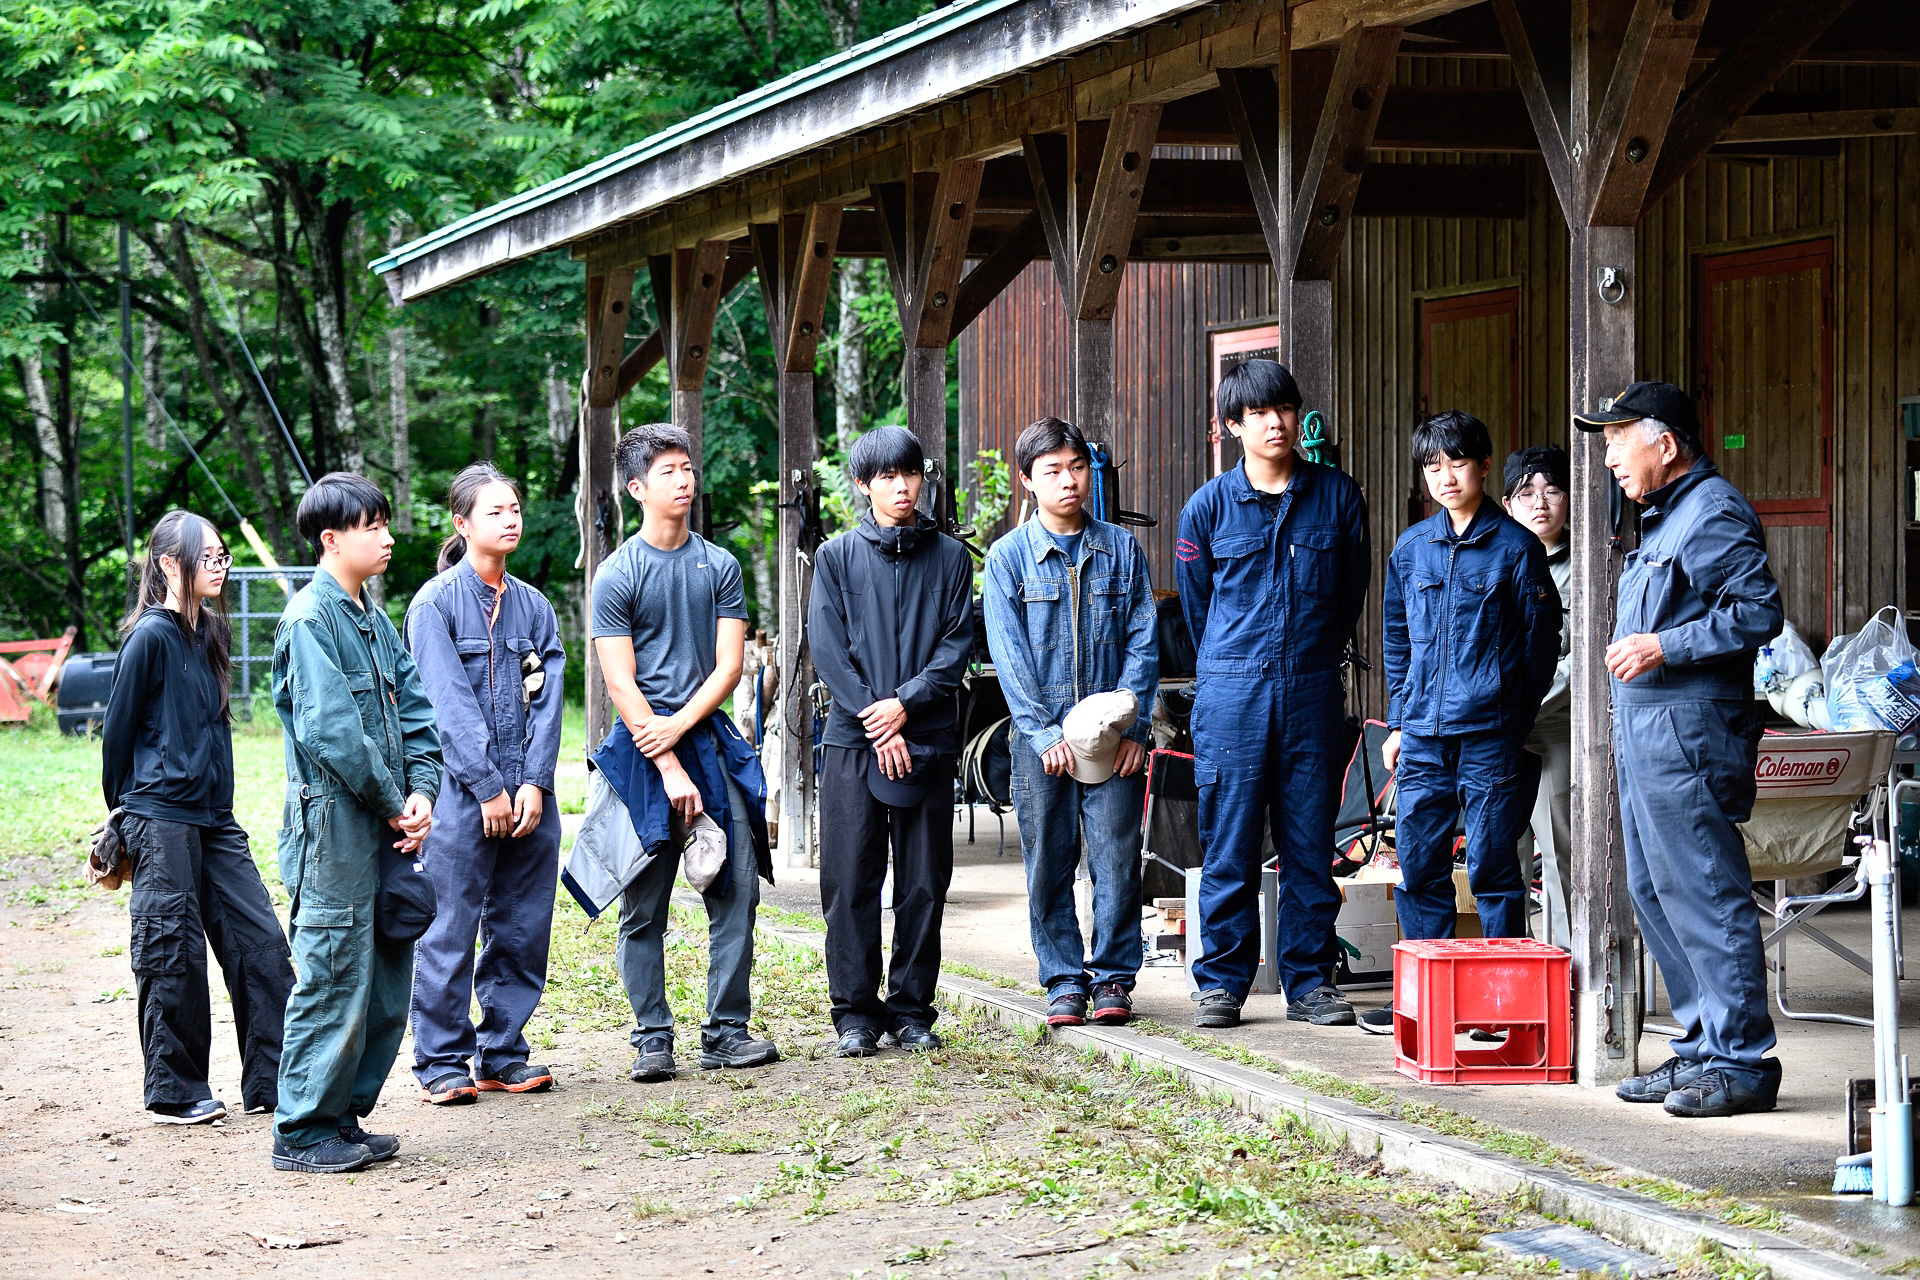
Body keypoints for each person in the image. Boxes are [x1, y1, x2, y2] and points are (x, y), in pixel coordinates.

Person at [1576, 382, 1785, 1118]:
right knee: (1653, 891)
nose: (1609, 460)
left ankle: (1743, 1060)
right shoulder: (1663, 517)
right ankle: (1701, 1048)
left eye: (1616, 442)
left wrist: (1666, 644)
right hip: (1648, 730)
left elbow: (1758, 611)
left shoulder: (1711, 509)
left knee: (1702, 887)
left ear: (1665, 445)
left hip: (1689, 730)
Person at [1175, 359, 1371, 1029]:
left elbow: (1349, 596)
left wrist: (1307, 658)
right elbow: (1199, 612)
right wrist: (1238, 664)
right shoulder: (1207, 508)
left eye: (1283, 408)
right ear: (1233, 426)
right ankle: (1222, 984)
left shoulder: (1339, 498)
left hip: (1312, 687)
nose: (1275, 422)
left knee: (1310, 842)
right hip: (1230, 690)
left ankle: (1311, 982)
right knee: (1227, 842)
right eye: (1257, 413)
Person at [590, 423, 777, 1084]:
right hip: (640, 750)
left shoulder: (717, 565)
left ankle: (727, 1031)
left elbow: (729, 667)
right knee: (643, 903)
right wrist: (664, 758)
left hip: (707, 740)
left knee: (736, 891)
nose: (685, 480)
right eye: (669, 470)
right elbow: (619, 682)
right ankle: (651, 1038)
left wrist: (681, 731)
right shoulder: (617, 575)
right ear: (637, 488)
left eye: (688, 467)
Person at [1365, 414, 1560, 1035]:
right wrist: (1399, 720)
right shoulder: (1411, 547)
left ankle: (1501, 1008)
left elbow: (1540, 646)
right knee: (1420, 865)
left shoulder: (1517, 549)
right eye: (1432, 466)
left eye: (1457, 463)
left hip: (1491, 735)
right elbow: (1396, 639)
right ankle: (1431, 1005)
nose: (1445, 477)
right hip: (1422, 732)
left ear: (1481, 465)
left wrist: (1510, 714)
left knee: (1494, 868)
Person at [101, 510, 295, 1126]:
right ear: (167, 565)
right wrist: (124, 815)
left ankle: (275, 1079)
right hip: (160, 816)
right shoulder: (150, 637)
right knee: (172, 950)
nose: (219, 565)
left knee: (260, 942)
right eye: (207, 556)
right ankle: (176, 1089)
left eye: (222, 556)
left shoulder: (210, 629)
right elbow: (117, 732)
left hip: (215, 816)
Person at [272, 472, 442, 1173]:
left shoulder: (372, 617)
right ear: (331, 538)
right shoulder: (309, 620)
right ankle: (303, 1129)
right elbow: (333, 733)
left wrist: (423, 792)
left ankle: (341, 1115)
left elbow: (417, 712)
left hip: (388, 823)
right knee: (334, 969)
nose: (389, 537)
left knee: (384, 970)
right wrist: (394, 801)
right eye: (374, 526)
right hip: (335, 828)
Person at [983, 417, 1159, 1027]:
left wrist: (1133, 729)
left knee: (1115, 855)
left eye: (1077, 467)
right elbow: (1009, 655)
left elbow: (1144, 641)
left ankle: (1113, 979)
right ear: (1027, 481)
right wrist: (1042, 733)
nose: (1069, 481)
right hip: (1042, 741)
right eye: (1053, 471)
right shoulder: (1007, 560)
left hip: (1113, 741)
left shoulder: (1122, 549)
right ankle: (1062, 979)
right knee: (1049, 858)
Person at [808, 426, 974, 1056]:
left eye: (910, 474)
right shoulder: (835, 557)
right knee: (850, 879)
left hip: (925, 735)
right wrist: (877, 720)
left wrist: (904, 705)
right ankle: (853, 1012)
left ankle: (911, 1009)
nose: (902, 487)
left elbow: (957, 644)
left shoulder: (952, 558)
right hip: (855, 742)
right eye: (885, 477)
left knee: (924, 880)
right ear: (862, 486)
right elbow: (828, 648)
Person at [404, 464, 567, 1105]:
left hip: (528, 797)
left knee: (523, 923)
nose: (510, 519)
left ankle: (502, 1050)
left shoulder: (536, 607)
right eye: (495, 511)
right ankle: (441, 1060)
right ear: (462, 523)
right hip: (459, 793)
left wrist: (532, 784)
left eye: (515, 508)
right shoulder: (434, 604)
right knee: (448, 923)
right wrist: (487, 786)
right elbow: (446, 705)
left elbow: (549, 703)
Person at [1502, 446, 1573, 948]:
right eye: (1527, 493)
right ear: (1507, 504)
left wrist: (1522, 704)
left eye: (1552, 491)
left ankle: (1573, 971)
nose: (1540, 503)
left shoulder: (1591, 565)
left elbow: (1582, 660)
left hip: (1553, 726)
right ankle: (1510, 970)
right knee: (1503, 854)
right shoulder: (1495, 557)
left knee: (1561, 850)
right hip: (1496, 730)